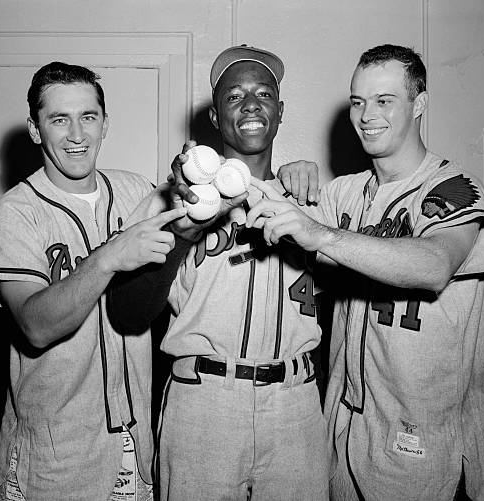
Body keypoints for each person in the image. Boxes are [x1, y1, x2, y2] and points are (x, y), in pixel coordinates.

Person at [245, 44, 484, 500]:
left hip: (423, 433)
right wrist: (287, 174)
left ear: (419, 104)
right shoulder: (344, 193)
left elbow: (435, 265)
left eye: (385, 100)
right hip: (345, 423)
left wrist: (322, 235)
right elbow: (273, 213)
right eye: (358, 101)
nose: (367, 115)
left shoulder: (451, 186)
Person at [111, 44, 330, 500]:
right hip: (203, 403)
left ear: (280, 111)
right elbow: (128, 313)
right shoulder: (170, 200)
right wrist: (182, 234)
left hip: (296, 406)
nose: (250, 104)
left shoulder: (313, 202)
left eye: (263, 94)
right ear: (214, 117)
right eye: (234, 96)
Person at [0, 62, 190, 500]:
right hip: (53, 457)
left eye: (88, 117)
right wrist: (109, 258)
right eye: (59, 119)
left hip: (133, 448)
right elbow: (35, 325)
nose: (76, 134)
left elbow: (204, 215)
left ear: (105, 123)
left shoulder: (136, 191)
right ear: (35, 129)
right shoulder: (15, 212)